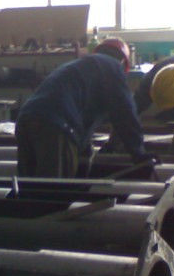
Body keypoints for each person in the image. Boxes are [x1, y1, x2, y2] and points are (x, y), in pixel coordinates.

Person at [15, 37, 151, 178]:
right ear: (123, 61)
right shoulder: (113, 67)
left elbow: (88, 119)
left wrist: (92, 150)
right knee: (54, 188)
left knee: (28, 186)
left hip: (25, 120)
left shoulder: (80, 68)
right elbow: (125, 113)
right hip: (54, 127)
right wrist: (139, 154)